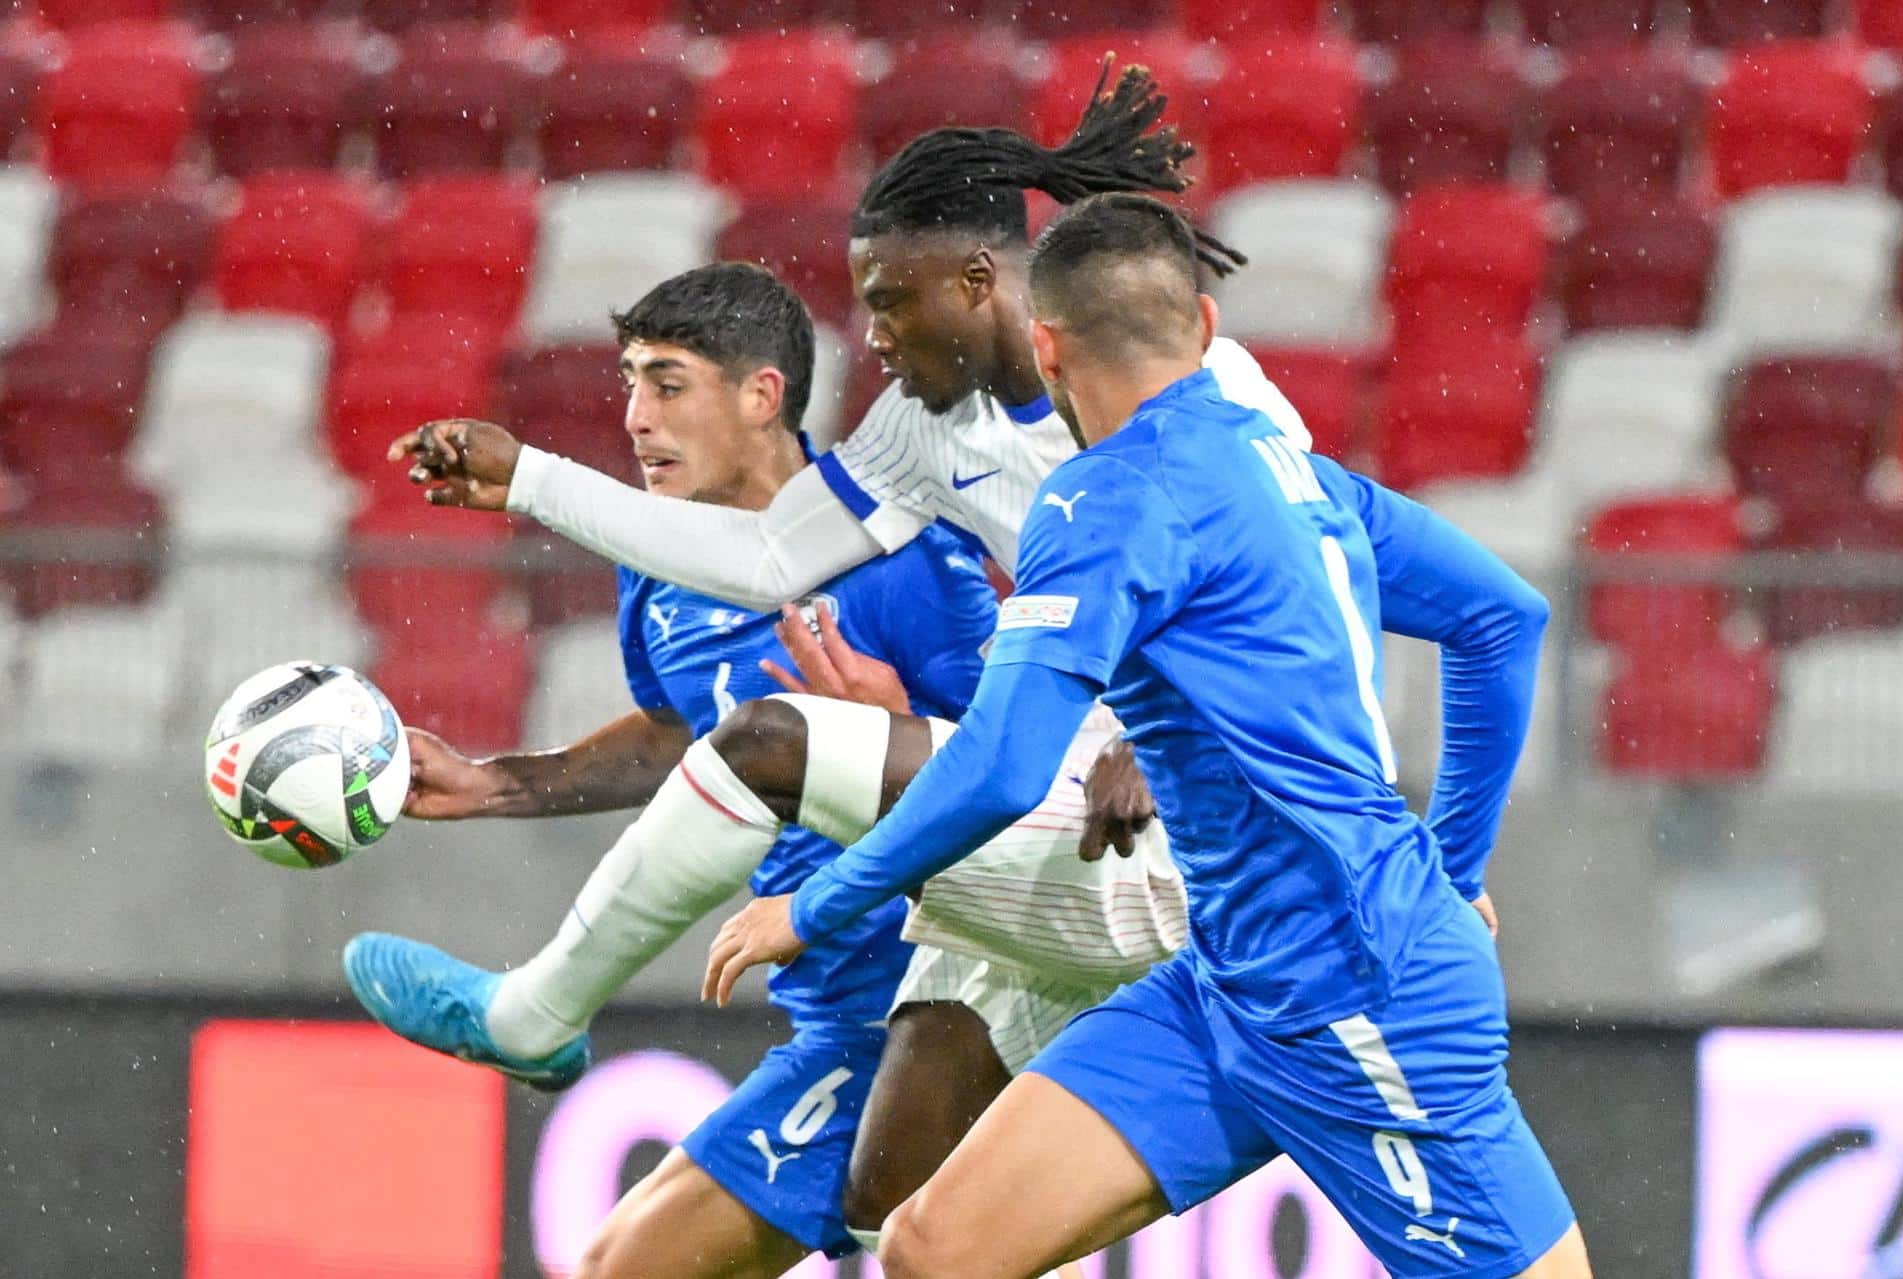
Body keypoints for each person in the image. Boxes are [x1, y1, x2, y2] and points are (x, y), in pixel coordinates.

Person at [386, 61, 1305, 1256]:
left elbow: (1314, 582)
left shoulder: (1186, 385)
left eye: (892, 300)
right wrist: (530, 481)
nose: (871, 332)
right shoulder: (928, 430)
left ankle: (534, 1009)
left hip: (1200, 813)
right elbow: (770, 554)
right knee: (891, 1200)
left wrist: (1167, 730)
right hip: (1057, 803)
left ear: (981, 282)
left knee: (771, 742)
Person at [701, 194, 1591, 1278]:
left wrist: (821, 902)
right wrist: (1457, 861)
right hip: (1226, 986)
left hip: (1360, 993)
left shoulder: (1105, 498)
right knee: (935, 1248)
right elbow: (1504, 617)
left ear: (1045, 343)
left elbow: (1004, 767)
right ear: (1206, 328)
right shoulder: (1293, 468)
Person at [342, 262, 1000, 1277]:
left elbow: (1024, 762)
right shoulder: (659, 560)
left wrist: (898, 723)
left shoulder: (904, 560)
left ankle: (533, 1012)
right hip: (832, 1006)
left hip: (936, 1005)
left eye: (667, 383)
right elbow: (680, 730)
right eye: (628, 383)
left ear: (762, 395)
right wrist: (499, 783)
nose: (637, 418)